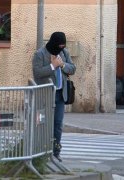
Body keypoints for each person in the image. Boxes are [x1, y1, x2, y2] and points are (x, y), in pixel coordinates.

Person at [32, 32, 76, 162]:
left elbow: (73, 68)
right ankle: (41, 151)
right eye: (59, 46)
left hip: (60, 94)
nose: (61, 48)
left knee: (58, 124)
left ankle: (56, 152)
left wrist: (62, 65)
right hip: (45, 95)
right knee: (43, 123)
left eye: (63, 46)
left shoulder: (64, 53)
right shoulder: (39, 54)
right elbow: (37, 72)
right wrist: (53, 66)